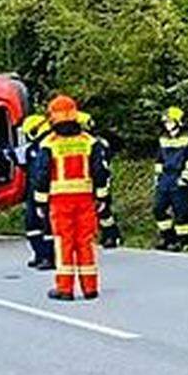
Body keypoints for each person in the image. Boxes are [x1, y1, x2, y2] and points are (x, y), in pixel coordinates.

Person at [33, 95, 110, 301]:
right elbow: (100, 172)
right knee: (85, 242)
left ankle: (65, 289)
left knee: (64, 243)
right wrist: (102, 197)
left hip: (60, 200)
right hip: (85, 198)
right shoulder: (89, 142)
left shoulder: (49, 144)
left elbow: (41, 175)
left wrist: (40, 201)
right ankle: (90, 288)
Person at [153, 106, 188, 251]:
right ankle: (167, 237)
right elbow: (159, 160)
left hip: (178, 177)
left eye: (170, 122)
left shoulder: (187, 139)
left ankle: (182, 241)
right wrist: (157, 177)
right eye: (166, 122)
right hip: (165, 178)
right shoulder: (163, 139)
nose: (167, 125)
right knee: (158, 209)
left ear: (179, 122)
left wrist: (185, 178)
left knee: (180, 211)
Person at [79, 111, 122, 249]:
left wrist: (102, 192)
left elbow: (101, 168)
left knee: (103, 209)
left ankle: (111, 235)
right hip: (84, 181)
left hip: (99, 180)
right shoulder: (83, 142)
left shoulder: (95, 144)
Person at [20, 114, 55, 270]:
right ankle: (40, 254)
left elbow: (43, 172)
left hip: (48, 191)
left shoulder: (48, 145)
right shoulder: (35, 147)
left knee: (46, 226)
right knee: (33, 224)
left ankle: (49, 257)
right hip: (35, 189)